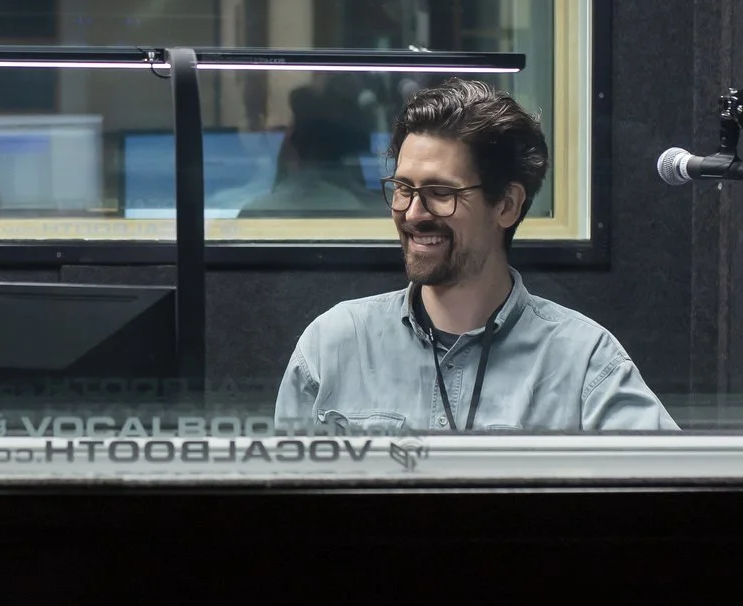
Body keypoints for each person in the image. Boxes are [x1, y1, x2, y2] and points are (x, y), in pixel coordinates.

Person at [275, 79, 677, 433]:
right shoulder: (333, 346)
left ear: (506, 205)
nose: (412, 214)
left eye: (440, 193)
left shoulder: (584, 361)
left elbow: (677, 484)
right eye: (403, 189)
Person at [237, 83, 385, 217]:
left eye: (283, 129)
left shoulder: (256, 212)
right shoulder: (381, 211)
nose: (270, 131)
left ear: (292, 146)